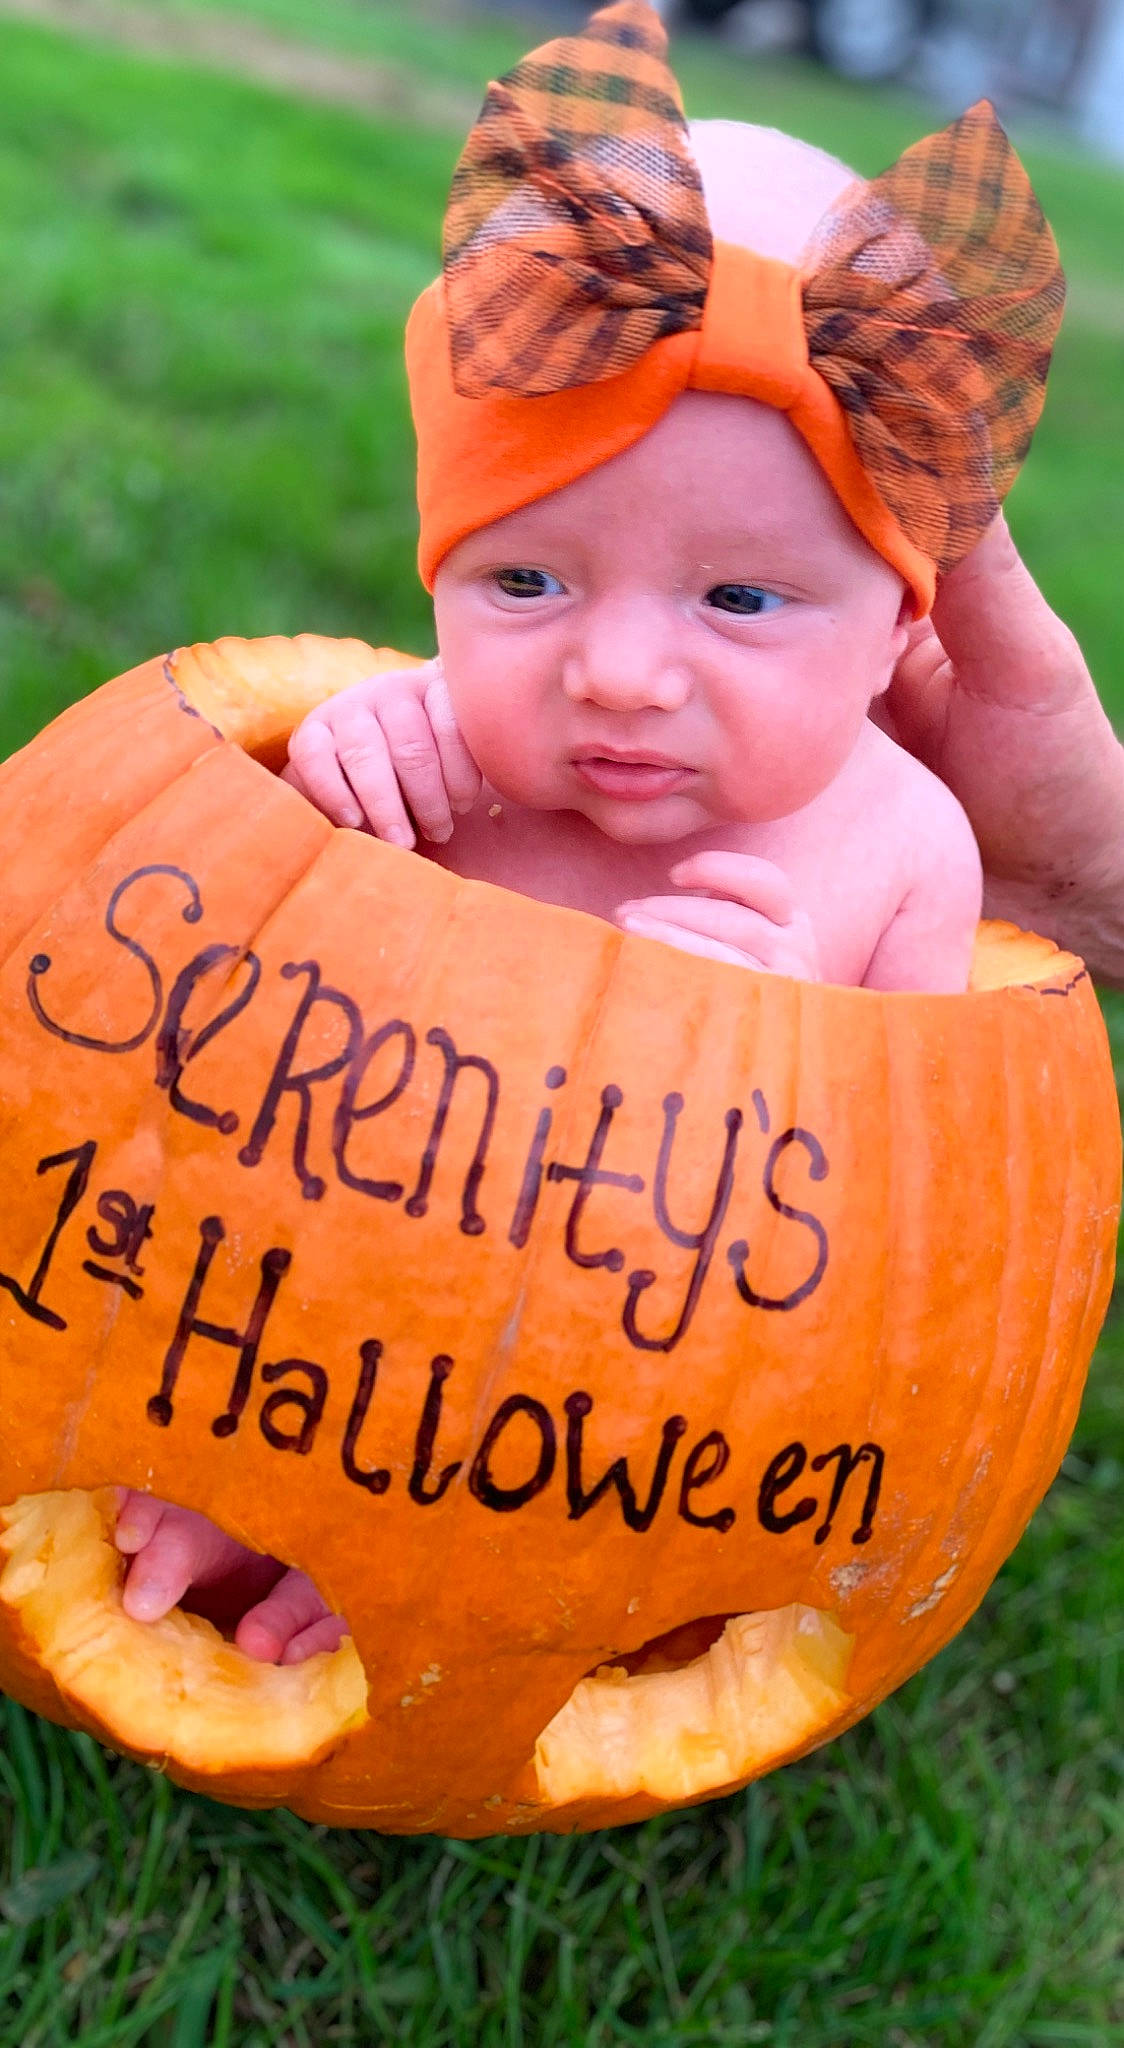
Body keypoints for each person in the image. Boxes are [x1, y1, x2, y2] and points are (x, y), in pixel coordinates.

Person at [113, 0, 1084, 1664]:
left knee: (626, 1498)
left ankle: (458, 1571)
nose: (621, 674)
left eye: (742, 596)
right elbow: (230, 1001)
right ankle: (237, 1478)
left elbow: (915, 1247)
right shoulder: (452, 750)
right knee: (240, 1272)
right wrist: (334, 778)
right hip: (335, 1306)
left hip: (633, 1410)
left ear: (900, 626)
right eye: (528, 578)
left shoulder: (908, 852)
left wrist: (803, 1039)